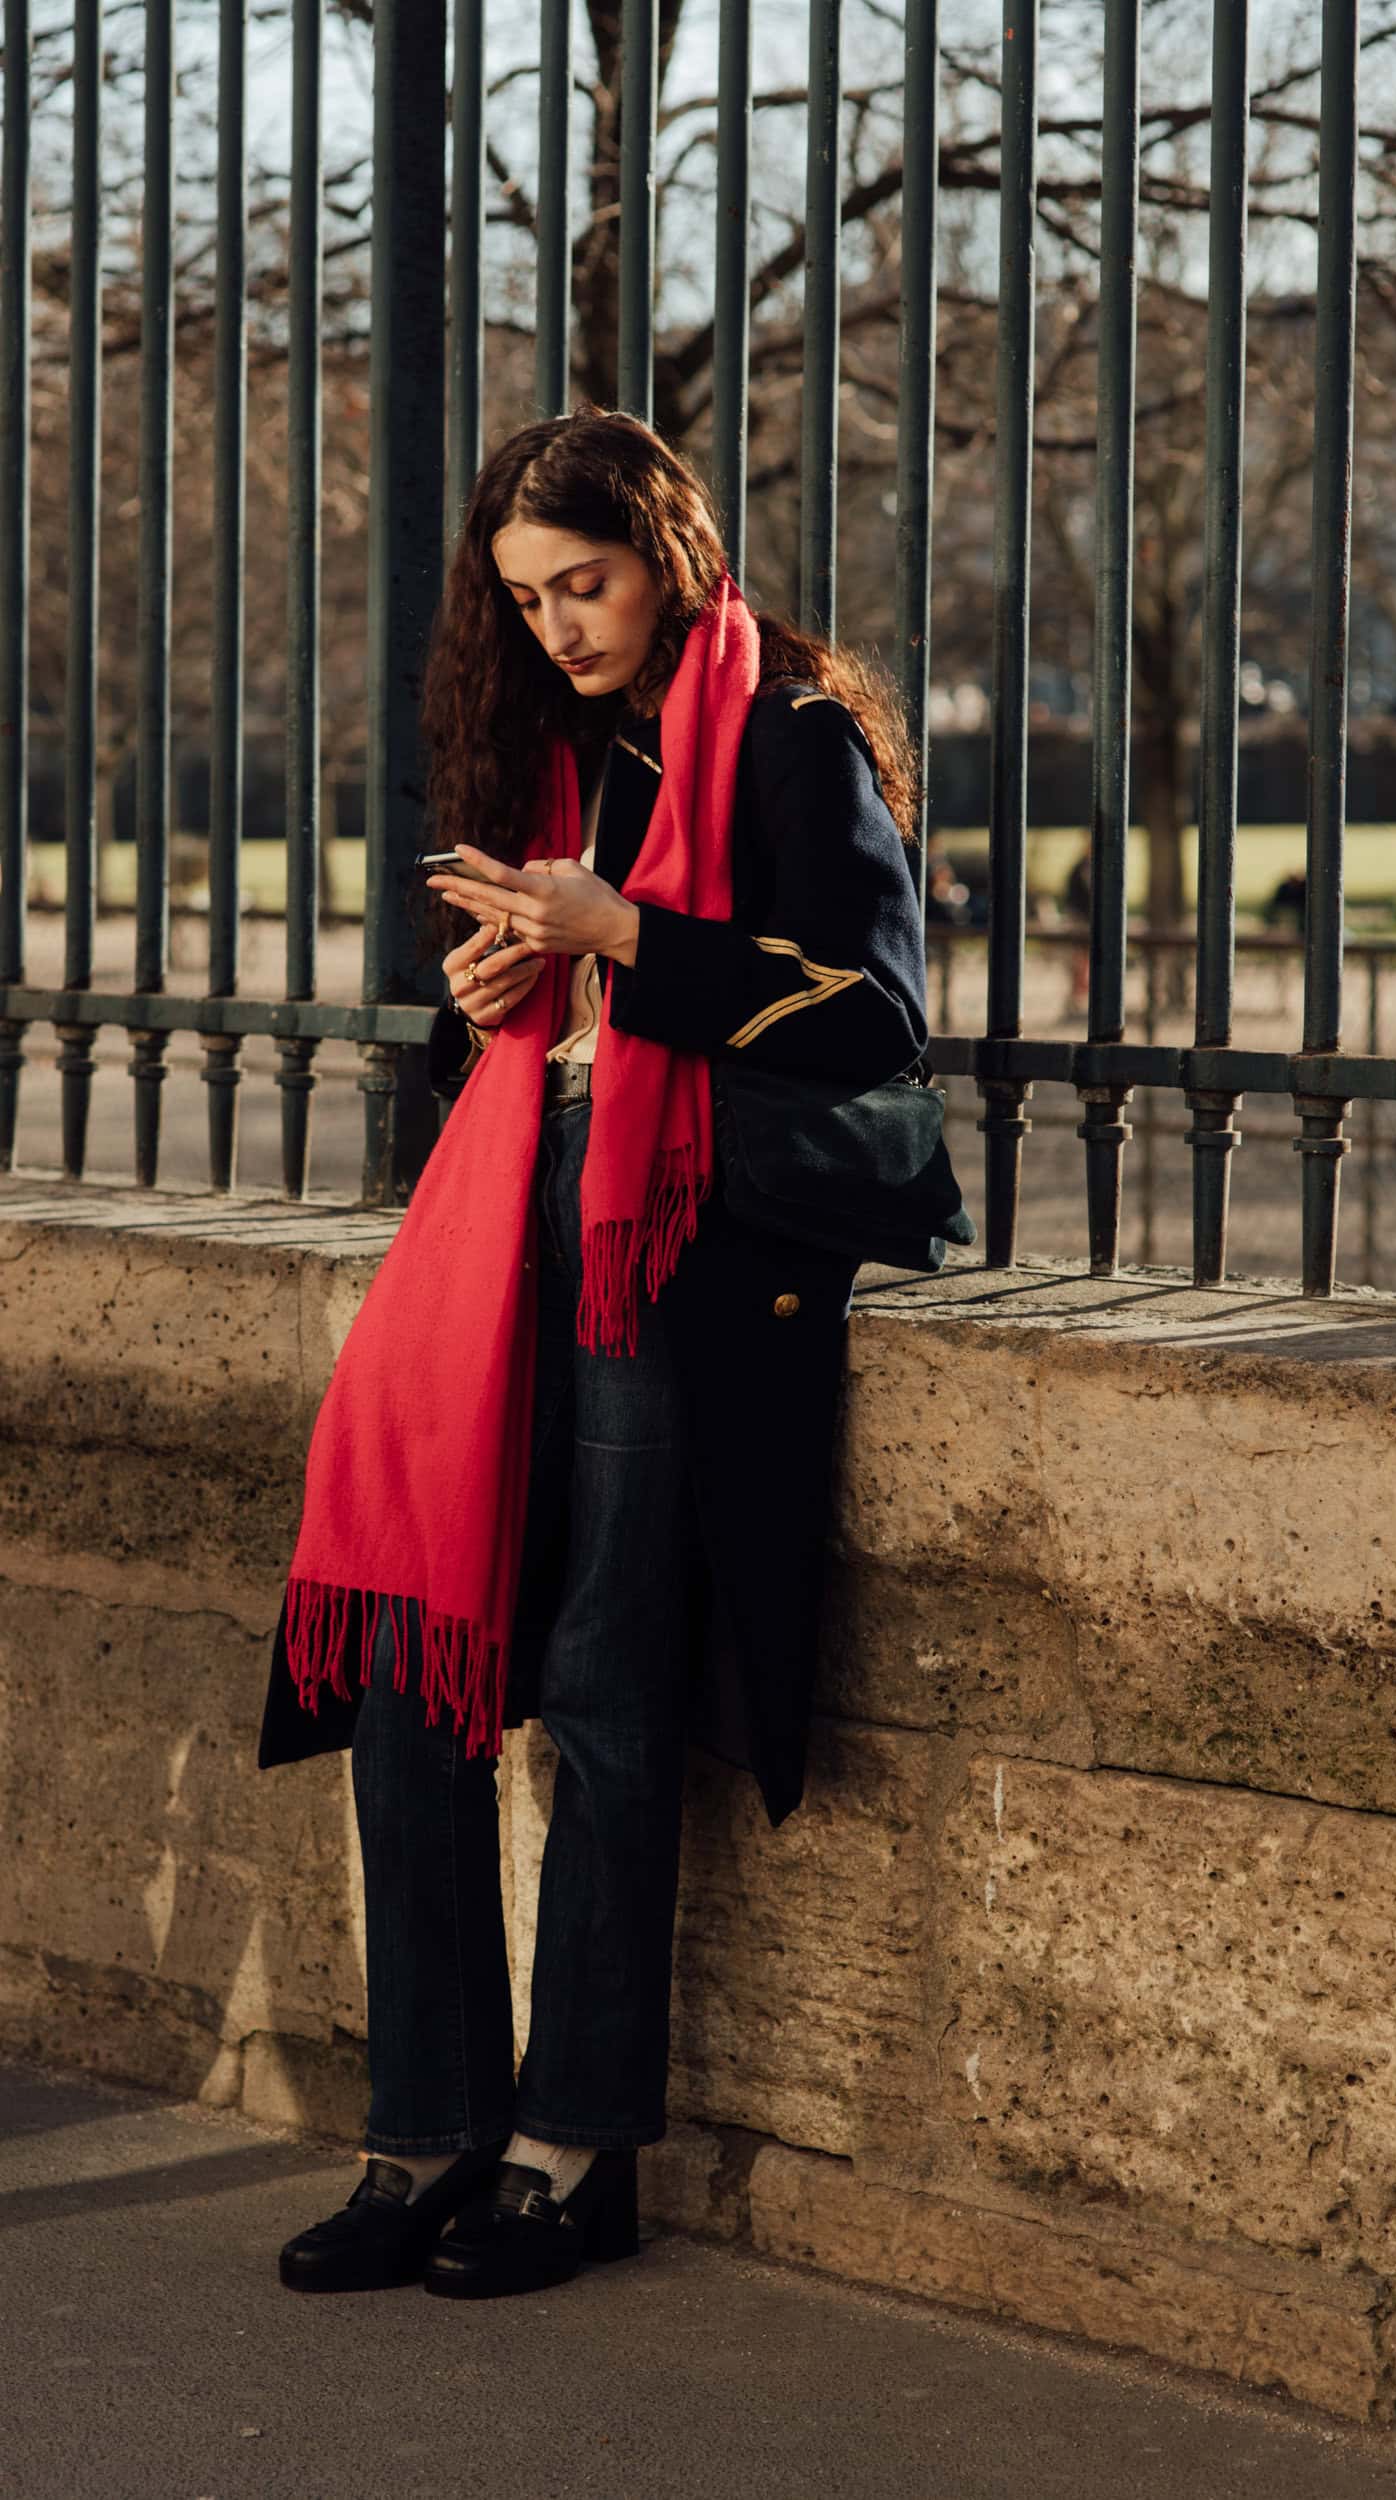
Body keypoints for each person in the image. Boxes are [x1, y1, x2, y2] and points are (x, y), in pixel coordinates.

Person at [257, 408, 930, 2301]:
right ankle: (426, 2128)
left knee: (605, 1678)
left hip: (673, 1252)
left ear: (669, 549)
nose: (560, 625)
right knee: (411, 1659)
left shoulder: (789, 730)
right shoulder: (554, 736)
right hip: (507, 1214)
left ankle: (570, 2147)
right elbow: (549, 993)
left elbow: (874, 1012)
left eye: (588, 582)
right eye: (528, 597)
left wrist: (622, 928)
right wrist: (502, 986)